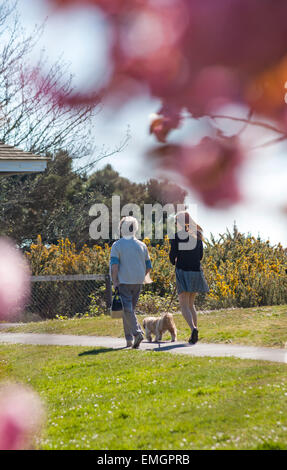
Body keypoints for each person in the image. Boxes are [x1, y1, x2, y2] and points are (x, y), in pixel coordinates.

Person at [110, 216, 152, 348]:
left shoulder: (117, 245)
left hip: (124, 281)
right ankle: (128, 340)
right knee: (128, 310)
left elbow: (114, 266)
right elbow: (149, 266)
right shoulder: (142, 245)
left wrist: (114, 280)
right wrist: (141, 276)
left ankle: (137, 333)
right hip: (138, 281)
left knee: (127, 310)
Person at [169, 211, 209, 344]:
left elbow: (172, 258)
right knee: (191, 305)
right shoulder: (198, 236)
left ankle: (193, 329)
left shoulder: (176, 237)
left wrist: (176, 259)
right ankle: (194, 333)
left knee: (184, 305)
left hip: (183, 271)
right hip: (196, 272)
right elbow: (200, 256)